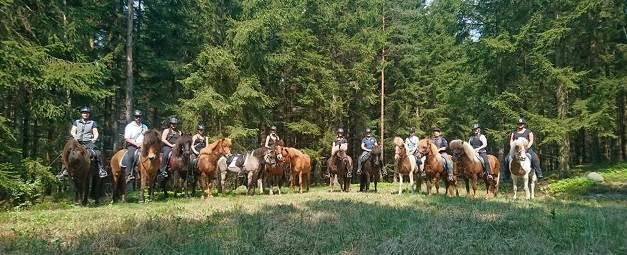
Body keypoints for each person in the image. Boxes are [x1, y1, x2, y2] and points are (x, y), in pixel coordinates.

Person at [58, 107, 108, 179]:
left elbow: (96, 133)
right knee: (65, 153)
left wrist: (94, 139)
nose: (85, 114)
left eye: (87, 113)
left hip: (88, 141)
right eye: (84, 113)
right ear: (81, 114)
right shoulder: (77, 122)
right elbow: (72, 131)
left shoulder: (93, 123)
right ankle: (63, 171)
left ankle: (101, 170)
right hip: (77, 142)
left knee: (97, 153)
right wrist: (75, 136)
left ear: (89, 115)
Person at [122, 110, 148, 182]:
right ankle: (129, 174)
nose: (138, 118)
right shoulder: (129, 126)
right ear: (134, 117)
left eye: (139, 117)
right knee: (131, 156)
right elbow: (127, 138)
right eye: (136, 117)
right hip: (132, 145)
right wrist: (136, 144)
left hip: (143, 145)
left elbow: (147, 138)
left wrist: (143, 144)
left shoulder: (145, 127)